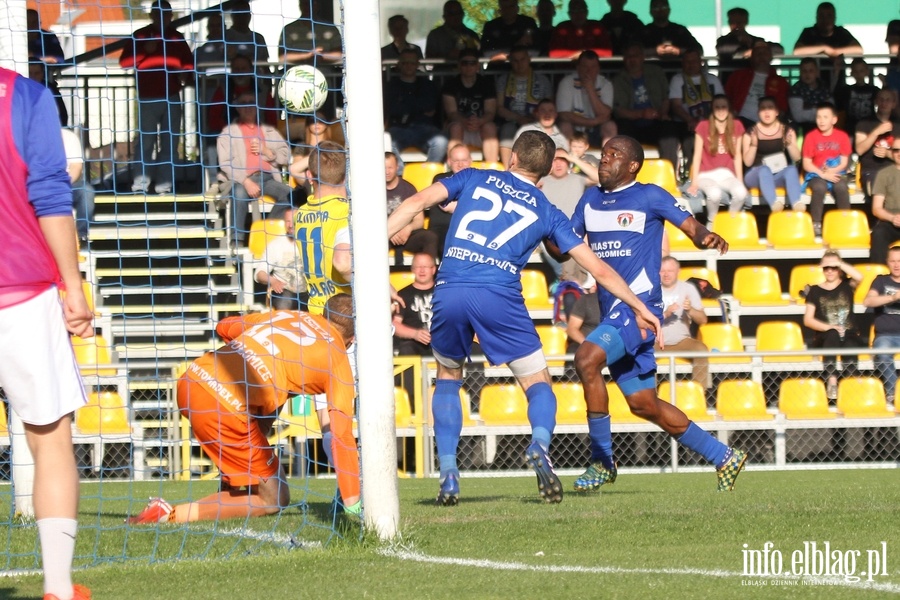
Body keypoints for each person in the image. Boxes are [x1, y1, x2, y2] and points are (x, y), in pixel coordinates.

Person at [386, 130, 661, 505]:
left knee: (448, 377)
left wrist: (373, 246)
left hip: (449, 288)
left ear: (512, 158)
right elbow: (597, 268)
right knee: (537, 381)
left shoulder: (476, 176)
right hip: (499, 295)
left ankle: (449, 472)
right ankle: (540, 445)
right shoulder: (547, 210)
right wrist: (640, 306)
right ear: (545, 174)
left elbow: (417, 200)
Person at [568, 134, 746, 495]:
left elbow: (690, 227)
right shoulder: (589, 199)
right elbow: (562, 246)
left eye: (613, 155)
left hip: (639, 312)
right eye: (603, 155)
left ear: (632, 164)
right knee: (643, 404)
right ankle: (724, 456)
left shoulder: (650, 195)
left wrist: (706, 236)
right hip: (610, 310)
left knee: (586, 360)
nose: (604, 160)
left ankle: (602, 462)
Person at [128, 295, 361, 523]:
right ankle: (167, 515)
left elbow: (224, 326)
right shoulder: (338, 359)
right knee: (275, 498)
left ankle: (229, 493)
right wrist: (354, 506)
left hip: (192, 380)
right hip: (227, 406)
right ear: (351, 339)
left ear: (324, 313)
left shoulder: (287, 316)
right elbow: (340, 436)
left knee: (267, 409)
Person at [0, 66, 94, 600]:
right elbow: (51, 195)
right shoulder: (26, 95)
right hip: (20, 289)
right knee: (50, 438)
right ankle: (57, 588)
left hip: (20, 286)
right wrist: (74, 287)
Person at [119, 0, 194, 195]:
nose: (162, 17)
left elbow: (189, 64)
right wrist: (145, 51)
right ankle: (140, 186)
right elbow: (125, 62)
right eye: (158, 14)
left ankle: (165, 186)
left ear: (171, 16)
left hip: (171, 97)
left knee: (170, 143)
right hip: (147, 98)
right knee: (145, 143)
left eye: (166, 14)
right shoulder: (140, 36)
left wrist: (185, 74)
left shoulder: (177, 38)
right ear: (152, 15)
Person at [216, 91, 292, 248]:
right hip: (241, 180)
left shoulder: (270, 131)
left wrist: (268, 152)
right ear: (236, 107)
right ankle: (237, 241)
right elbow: (225, 163)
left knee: (292, 194)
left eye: (252, 102)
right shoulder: (228, 133)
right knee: (239, 193)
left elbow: (285, 155)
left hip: (269, 178)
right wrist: (246, 181)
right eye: (243, 103)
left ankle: (267, 231)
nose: (248, 106)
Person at [294, 141, 350, 314]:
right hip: (345, 314)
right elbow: (343, 264)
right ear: (346, 175)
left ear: (310, 176)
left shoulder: (301, 213)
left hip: (316, 310)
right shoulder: (345, 211)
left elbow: (294, 169)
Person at [803, 251, 863, 401]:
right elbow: (808, 320)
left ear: (839, 269)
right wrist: (829, 327)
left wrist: (839, 263)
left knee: (850, 343)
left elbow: (860, 277)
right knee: (832, 334)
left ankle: (850, 386)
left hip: (848, 334)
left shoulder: (847, 286)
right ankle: (832, 381)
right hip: (826, 336)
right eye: (826, 267)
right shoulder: (815, 291)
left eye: (833, 267)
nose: (829, 270)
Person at [686, 95, 748, 226]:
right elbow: (696, 156)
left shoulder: (737, 125)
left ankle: (729, 221)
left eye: (724, 107)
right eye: (717, 107)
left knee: (741, 193)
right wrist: (694, 182)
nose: (720, 110)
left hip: (727, 174)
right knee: (714, 194)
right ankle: (712, 222)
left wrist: (740, 181)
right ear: (712, 109)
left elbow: (737, 156)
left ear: (729, 109)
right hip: (706, 174)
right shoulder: (703, 126)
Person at [384, 49, 449, 165]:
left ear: (417, 65)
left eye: (412, 63)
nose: (409, 66)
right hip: (399, 129)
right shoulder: (391, 86)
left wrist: (405, 105)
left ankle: (429, 173)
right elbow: (393, 109)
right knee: (387, 142)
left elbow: (430, 106)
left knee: (441, 141)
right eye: (405, 63)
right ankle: (401, 176)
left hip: (425, 128)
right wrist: (419, 107)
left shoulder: (428, 85)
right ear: (399, 65)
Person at [668, 47, 725, 174]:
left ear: (701, 62)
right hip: (686, 122)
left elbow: (722, 104)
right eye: (687, 61)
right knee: (691, 139)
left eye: (694, 61)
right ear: (683, 63)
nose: (691, 64)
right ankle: (692, 174)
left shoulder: (712, 80)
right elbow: (675, 106)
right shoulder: (678, 79)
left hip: (711, 121)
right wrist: (691, 120)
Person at [657, 256, 710, 391]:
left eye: (670, 270)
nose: (666, 274)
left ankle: (699, 395)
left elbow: (703, 320)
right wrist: (665, 314)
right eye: (663, 271)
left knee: (701, 350)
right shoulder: (652, 290)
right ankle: (650, 400)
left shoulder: (688, 289)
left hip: (681, 341)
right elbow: (642, 321)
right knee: (642, 353)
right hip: (656, 342)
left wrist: (690, 309)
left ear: (678, 272)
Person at [742, 96, 803, 213]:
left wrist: (789, 144)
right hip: (755, 175)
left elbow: (797, 158)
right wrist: (754, 145)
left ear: (776, 112)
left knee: (791, 169)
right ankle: (774, 205)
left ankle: (796, 203)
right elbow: (747, 162)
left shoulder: (787, 131)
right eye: (763, 108)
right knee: (764, 170)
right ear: (758, 112)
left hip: (777, 174)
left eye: (770, 108)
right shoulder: (750, 132)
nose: (766, 111)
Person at [611, 42, 672, 158]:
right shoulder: (618, 80)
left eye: (635, 56)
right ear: (624, 59)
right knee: (622, 128)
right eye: (629, 57)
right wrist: (641, 114)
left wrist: (662, 114)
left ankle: (671, 170)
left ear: (643, 57)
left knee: (668, 128)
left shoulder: (656, 72)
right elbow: (618, 110)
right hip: (631, 124)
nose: (632, 60)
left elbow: (666, 98)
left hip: (656, 121)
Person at [495, 46, 553, 166]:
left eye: (522, 59)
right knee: (507, 131)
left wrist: (537, 118)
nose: (519, 64)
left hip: (536, 120)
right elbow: (500, 109)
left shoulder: (542, 80)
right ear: (510, 61)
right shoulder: (503, 80)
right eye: (515, 60)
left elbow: (550, 107)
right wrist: (519, 118)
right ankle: (508, 170)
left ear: (529, 59)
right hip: (511, 121)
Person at [801, 102, 852, 237]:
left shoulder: (842, 136)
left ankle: (845, 221)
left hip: (836, 172)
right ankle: (816, 223)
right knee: (819, 187)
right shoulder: (811, 136)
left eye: (825, 117)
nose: (821, 121)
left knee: (841, 187)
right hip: (816, 174)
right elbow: (806, 163)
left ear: (834, 119)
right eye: (819, 117)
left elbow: (844, 162)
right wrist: (823, 174)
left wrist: (831, 171)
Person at [441, 49, 499, 164]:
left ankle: (492, 168)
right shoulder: (450, 84)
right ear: (459, 65)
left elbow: (490, 112)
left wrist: (479, 121)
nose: (468, 66)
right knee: (455, 127)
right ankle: (453, 169)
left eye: (472, 63)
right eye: (464, 63)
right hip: (460, 126)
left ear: (477, 65)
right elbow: (451, 113)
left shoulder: (486, 84)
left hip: (481, 127)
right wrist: (466, 121)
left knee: (490, 127)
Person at [556, 50, 617, 148]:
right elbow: (564, 115)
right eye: (585, 67)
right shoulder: (566, 82)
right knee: (564, 126)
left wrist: (590, 90)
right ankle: (567, 160)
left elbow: (606, 114)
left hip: (597, 130)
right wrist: (592, 122)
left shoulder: (605, 84)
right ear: (578, 68)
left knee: (610, 126)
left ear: (598, 69)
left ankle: (607, 160)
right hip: (575, 128)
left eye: (593, 67)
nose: (589, 71)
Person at [385, 152, 439, 264]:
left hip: (407, 234)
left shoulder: (408, 188)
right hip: (384, 235)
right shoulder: (373, 190)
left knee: (430, 237)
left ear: (397, 167)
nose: (387, 172)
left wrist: (408, 229)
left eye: (390, 167)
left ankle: (429, 275)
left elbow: (419, 221)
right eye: (384, 168)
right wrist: (389, 231)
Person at [724, 40, 790, 129]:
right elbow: (726, 99)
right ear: (751, 57)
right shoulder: (737, 76)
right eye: (758, 53)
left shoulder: (781, 82)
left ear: (770, 57)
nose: (761, 56)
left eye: (764, 53)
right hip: (740, 122)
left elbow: (782, 108)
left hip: (768, 124)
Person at [863, 246, 900, 405]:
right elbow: (868, 301)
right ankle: (893, 393)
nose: (896, 265)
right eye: (892, 261)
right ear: (887, 263)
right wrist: (893, 297)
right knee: (882, 352)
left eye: (899, 261)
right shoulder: (881, 281)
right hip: (886, 336)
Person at [254, 208, 307, 310]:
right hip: (284, 291)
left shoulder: (311, 242)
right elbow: (260, 273)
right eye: (288, 221)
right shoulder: (275, 245)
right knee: (285, 302)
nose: (291, 225)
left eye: (294, 221)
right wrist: (273, 281)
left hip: (308, 292)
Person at [855, 89, 900, 202]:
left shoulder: (898, 125)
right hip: (872, 170)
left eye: (888, 100)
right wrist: (876, 132)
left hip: (895, 170)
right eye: (881, 99)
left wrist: (887, 153)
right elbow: (859, 150)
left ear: (894, 103)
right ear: (876, 102)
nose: (884, 103)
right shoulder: (864, 123)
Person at [715, 8, 783, 77]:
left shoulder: (756, 40)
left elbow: (779, 50)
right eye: (732, 22)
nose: (735, 26)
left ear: (746, 22)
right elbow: (724, 51)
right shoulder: (723, 41)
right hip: (730, 79)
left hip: (752, 79)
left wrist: (757, 49)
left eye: (739, 23)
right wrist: (746, 51)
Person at [393, 253, 437, 357]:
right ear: (412, 269)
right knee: (406, 348)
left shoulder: (445, 292)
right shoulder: (402, 295)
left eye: (425, 266)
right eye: (418, 267)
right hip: (415, 344)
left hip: (443, 342)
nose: (422, 270)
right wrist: (415, 334)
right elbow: (395, 324)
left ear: (433, 270)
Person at [278, 0, 343, 65]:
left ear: (318, 5)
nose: (308, 7)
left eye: (312, 3)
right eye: (305, 3)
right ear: (300, 5)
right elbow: (282, 58)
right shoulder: (289, 29)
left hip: (325, 73)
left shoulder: (330, 28)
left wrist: (321, 56)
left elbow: (340, 55)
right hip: (297, 73)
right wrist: (308, 55)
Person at [61, 128, 96, 247]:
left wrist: (63, 185)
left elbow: (76, 167)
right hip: (39, 184)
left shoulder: (68, 137)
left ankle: (82, 235)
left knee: (86, 190)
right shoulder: (32, 135)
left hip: (66, 183)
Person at [792, 2, 863, 58]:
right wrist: (824, 49)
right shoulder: (809, 32)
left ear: (835, 18)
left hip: (837, 75)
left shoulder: (840, 32)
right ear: (817, 17)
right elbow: (797, 51)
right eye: (822, 16)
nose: (825, 20)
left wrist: (834, 52)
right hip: (814, 75)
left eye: (829, 16)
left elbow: (858, 49)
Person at [640, 0, 701, 65]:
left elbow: (698, 50)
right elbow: (633, 52)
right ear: (650, 12)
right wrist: (655, 51)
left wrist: (678, 51)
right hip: (651, 71)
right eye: (656, 7)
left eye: (664, 7)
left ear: (669, 10)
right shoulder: (643, 31)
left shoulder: (680, 30)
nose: (660, 10)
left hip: (678, 71)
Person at [224, 0, 271, 82]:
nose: (242, 17)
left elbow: (265, 66)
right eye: (239, 14)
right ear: (232, 16)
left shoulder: (258, 38)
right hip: (231, 84)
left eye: (245, 14)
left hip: (256, 85)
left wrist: (268, 86)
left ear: (249, 16)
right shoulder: (224, 37)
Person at [548, 0, 613, 59]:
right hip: (567, 69)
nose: (578, 15)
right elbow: (554, 54)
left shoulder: (597, 27)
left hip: (593, 69)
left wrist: (582, 54)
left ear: (587, 12)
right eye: (574, 11)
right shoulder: (562, 28)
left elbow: (608, 53)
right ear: (569, 14)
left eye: (581, 11)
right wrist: (576, 55)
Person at [870, 139, 900, 264]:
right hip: (890, 221)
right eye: (896, 150)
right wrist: (893, 218)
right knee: (878, 233)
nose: (899, 153)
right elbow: (876, 208)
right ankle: (879, 278)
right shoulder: (883, 174)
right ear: (891, 153)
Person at [834, 58, 878, 139]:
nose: (858, 74)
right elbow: (834, 94)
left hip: (868, 126)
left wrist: (884, 83)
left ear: (867, 72)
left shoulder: (874, 90)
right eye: (856, 71)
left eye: (861, 71)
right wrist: (836, 72)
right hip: (850, 127)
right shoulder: (846, 90)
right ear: (851, 73)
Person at [789, 58, 834, 136]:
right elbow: (798, 117)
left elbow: (831, 111)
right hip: (803, 127)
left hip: (825, 125)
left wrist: (809, 110)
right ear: (800, 72)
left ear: (817, 72)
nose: (807, 74)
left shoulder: (824, 87)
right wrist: (820, 113)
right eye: (804, 71)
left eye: (811, 71)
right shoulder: (795, 89)